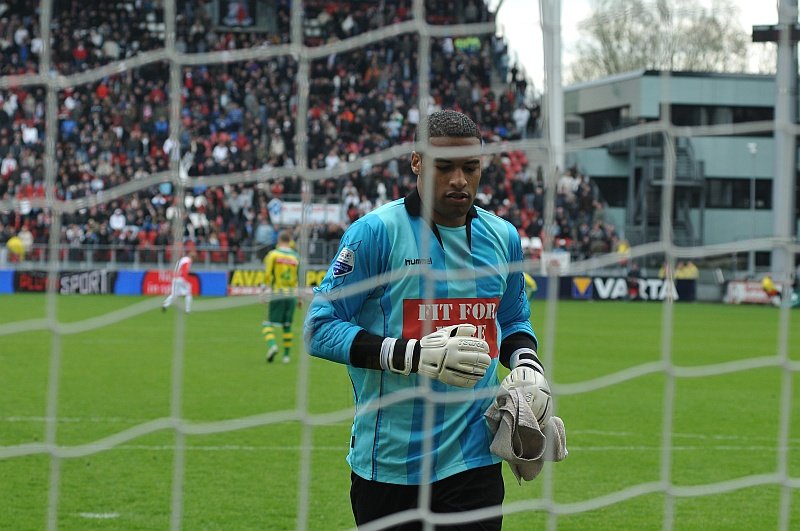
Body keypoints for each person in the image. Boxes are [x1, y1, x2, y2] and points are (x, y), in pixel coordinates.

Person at [304, 110, 555, 530]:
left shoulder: (504, 238)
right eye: (445, 166)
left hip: (474, 460)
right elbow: (319, 326)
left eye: (470, 168)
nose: (459, 179)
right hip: (387, 464)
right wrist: (412, 355)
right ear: (417, 162)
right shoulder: (375, 233)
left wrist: (527, 365)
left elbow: (513, 320)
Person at [262, 230, 300, 363]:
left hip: (278, 293)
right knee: (287, 325)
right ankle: (286, 356)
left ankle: (272, 346)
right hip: (291, 295)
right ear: (290, 241)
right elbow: (297, 278)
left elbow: (267, 275)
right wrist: (299, 298)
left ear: (278, 240)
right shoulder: (295, 257)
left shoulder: (273, 255)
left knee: (267, 323)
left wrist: (265, 290)